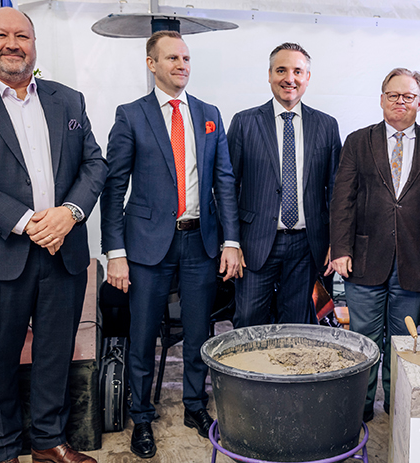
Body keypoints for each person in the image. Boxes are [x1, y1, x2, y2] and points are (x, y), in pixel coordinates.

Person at [0, 7, 106, 463]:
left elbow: (94, 164)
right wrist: (28, 221)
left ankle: (48, 441)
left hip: (64, 250)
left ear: (34, 43)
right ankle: (4, 450)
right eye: (1, 35)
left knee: (55, 354)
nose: (13, 44)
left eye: (22, 35)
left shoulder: (68, 99)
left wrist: (70, 213)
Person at [99, 30, 240, 459]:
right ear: (151, 63)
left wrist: (231, 240)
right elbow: (114, 187)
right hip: (146, 246)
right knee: (143, 335)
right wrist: (116, 252)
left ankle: (195, 405)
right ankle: (142, 415)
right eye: (172, 58)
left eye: (186, 58)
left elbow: (224, 181)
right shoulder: (131, 115)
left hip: (200, 241)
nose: (182, 65)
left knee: (199, 332)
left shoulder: (209, 114)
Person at [329, 68, 420, 422]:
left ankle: (399, 407)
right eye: (393, 95)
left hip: (417, 263)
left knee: (405, 342)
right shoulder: (358, 141)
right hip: (363, 260)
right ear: (382, 99)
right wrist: (340, 249)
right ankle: (359, 410)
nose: (400, 101)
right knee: (364, 340)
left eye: (408, 96)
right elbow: (343, 200)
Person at [226, 43, 341, 327]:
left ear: (307, 77)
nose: (290, 78)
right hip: (255, 243)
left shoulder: (326, 126)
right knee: (248, 321)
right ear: (269, 75)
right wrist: (231, 241)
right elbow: (227, 187)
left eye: (297, 71)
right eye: (281, 70)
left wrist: (336, 242)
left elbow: (336, 191)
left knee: (297, 326)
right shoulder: (244, 122)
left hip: (307, 245)